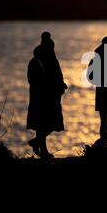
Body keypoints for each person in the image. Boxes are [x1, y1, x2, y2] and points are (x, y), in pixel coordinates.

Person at [26, 31, 68, 159]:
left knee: (48, 123)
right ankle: (41, 147)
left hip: (49, 97)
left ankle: (38, 143)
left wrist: (61, 84)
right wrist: (52, 85)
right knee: (45, 123)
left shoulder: (51, 60)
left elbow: (58, 77)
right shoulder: (37, 62)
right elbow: (32, 80)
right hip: (42, 98)